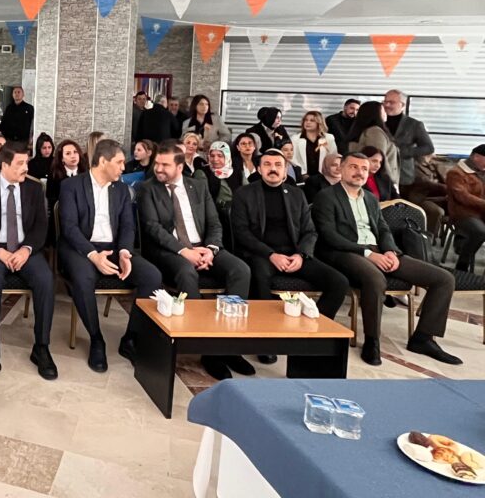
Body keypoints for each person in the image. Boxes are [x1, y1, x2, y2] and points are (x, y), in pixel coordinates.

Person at [314, 152, 460, 366]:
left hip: (379, 251)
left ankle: (423, 338)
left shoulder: (370, 198)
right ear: (342, 169)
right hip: (344, 252)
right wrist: (368, 254)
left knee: (444, 279)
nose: (359, 172)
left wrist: (390, 250)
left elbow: (383, 229)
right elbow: (329, 235)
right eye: (353, 167)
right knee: (375, 279)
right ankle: (372, 341)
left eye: (364, 169)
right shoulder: (326, 196)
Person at [138, 143, 253, 380]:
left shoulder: (198, 186)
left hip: (204, 246)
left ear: (180, 166)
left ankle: (229, 345)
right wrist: (185, 251)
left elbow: (214, 223)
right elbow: (153, 228)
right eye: (157, 163)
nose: (158, 168)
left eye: (165, 165)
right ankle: (206, 349)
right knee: (187, 273)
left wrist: (210, 249)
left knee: (241, 270)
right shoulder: (147, 188)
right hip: (170, 251)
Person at [231, 149, 349, 364]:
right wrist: (271, 255)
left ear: (286, 170)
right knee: (259, 279)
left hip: (295, 255)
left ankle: (312, 336)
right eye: (267, 164)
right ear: (259, 169)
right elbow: (242, 233)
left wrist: (301, 255)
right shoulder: (244, 193)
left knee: (338, 282)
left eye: (278, 165)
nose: (273, 169)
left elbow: (310, 231)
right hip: (262, 254)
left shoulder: (296, 194)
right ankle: (266, 342)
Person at [59, 139, 162, 372]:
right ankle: (96, 339)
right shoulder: (71, 186)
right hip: (80, 247)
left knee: (152, 276)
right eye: (119, 162)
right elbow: (69, 228)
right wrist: (93, 255)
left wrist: (125, 252)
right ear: (103, 161)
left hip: (115, 248)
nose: (124, 167)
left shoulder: (122, 189)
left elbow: (128, 226)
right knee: (84, 278)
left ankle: (130, 338)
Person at [0, 142, 57, 379]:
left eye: (26, 162)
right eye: (20, 163)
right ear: (4, 165)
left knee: (46, 280)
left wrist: (26, 250)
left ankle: (42, 347)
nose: (26, 168)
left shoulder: (34, 189)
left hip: (25, 250)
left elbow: (41, 226)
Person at [382, 90, 434, 194]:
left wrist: (404, 152)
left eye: (391, 102)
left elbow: (428, 147)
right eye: (385, 101)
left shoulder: (414, 124)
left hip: (403, 174)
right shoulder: (378, 121)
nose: (387, 105)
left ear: (402, 105)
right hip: (381, 173)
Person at [446, 144, 485, 272]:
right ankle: (462, 264)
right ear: (476, 157)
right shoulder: (456, 173)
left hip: (481, 212)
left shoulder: (482, 172)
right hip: (463, 214)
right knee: (480, 231)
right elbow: (463, 197)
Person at [350, 101, 399, 184]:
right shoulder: (375, 132)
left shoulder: (369, 130)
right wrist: (390, 182)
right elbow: (377, 159)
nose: (386, 113)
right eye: (383, 110)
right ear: (376, 113)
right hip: (380, 182)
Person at [291, 111, 338, 181]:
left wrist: (326, 173)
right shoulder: (295, 138)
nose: (308, 122)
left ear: (319, 123)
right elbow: (292, 158)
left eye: (312, 120)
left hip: (323, 176)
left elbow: (333, 156)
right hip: (302, 176)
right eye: (306, 120)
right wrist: (303, 173)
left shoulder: (328, 138)